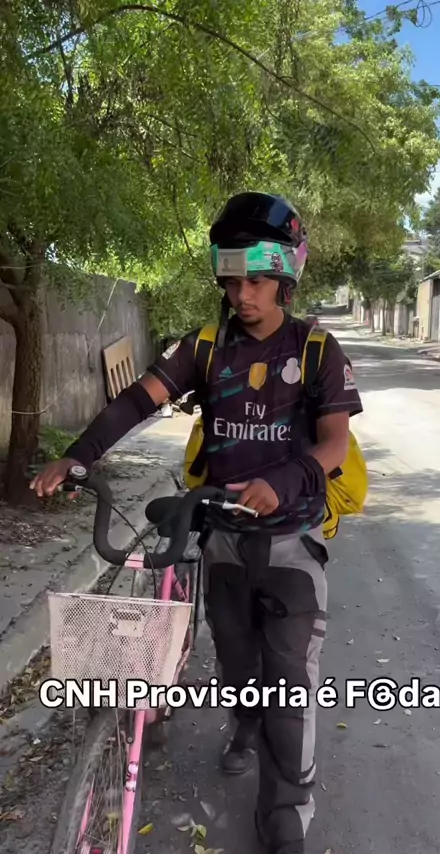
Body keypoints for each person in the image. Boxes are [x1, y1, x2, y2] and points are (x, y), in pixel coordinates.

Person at [31, 191, 363, 854]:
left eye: (257, 282)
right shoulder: (205, 348)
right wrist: (78, 455)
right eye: (232, 282)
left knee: (290, 688)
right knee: (240, 670)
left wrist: (285, 479)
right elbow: (137, 400)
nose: (243, 295)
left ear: (286, 278)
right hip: (223, 544)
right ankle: (245, 724)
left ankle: (287, 810)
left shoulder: (318, 351)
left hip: (292, 547)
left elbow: (334, 444)